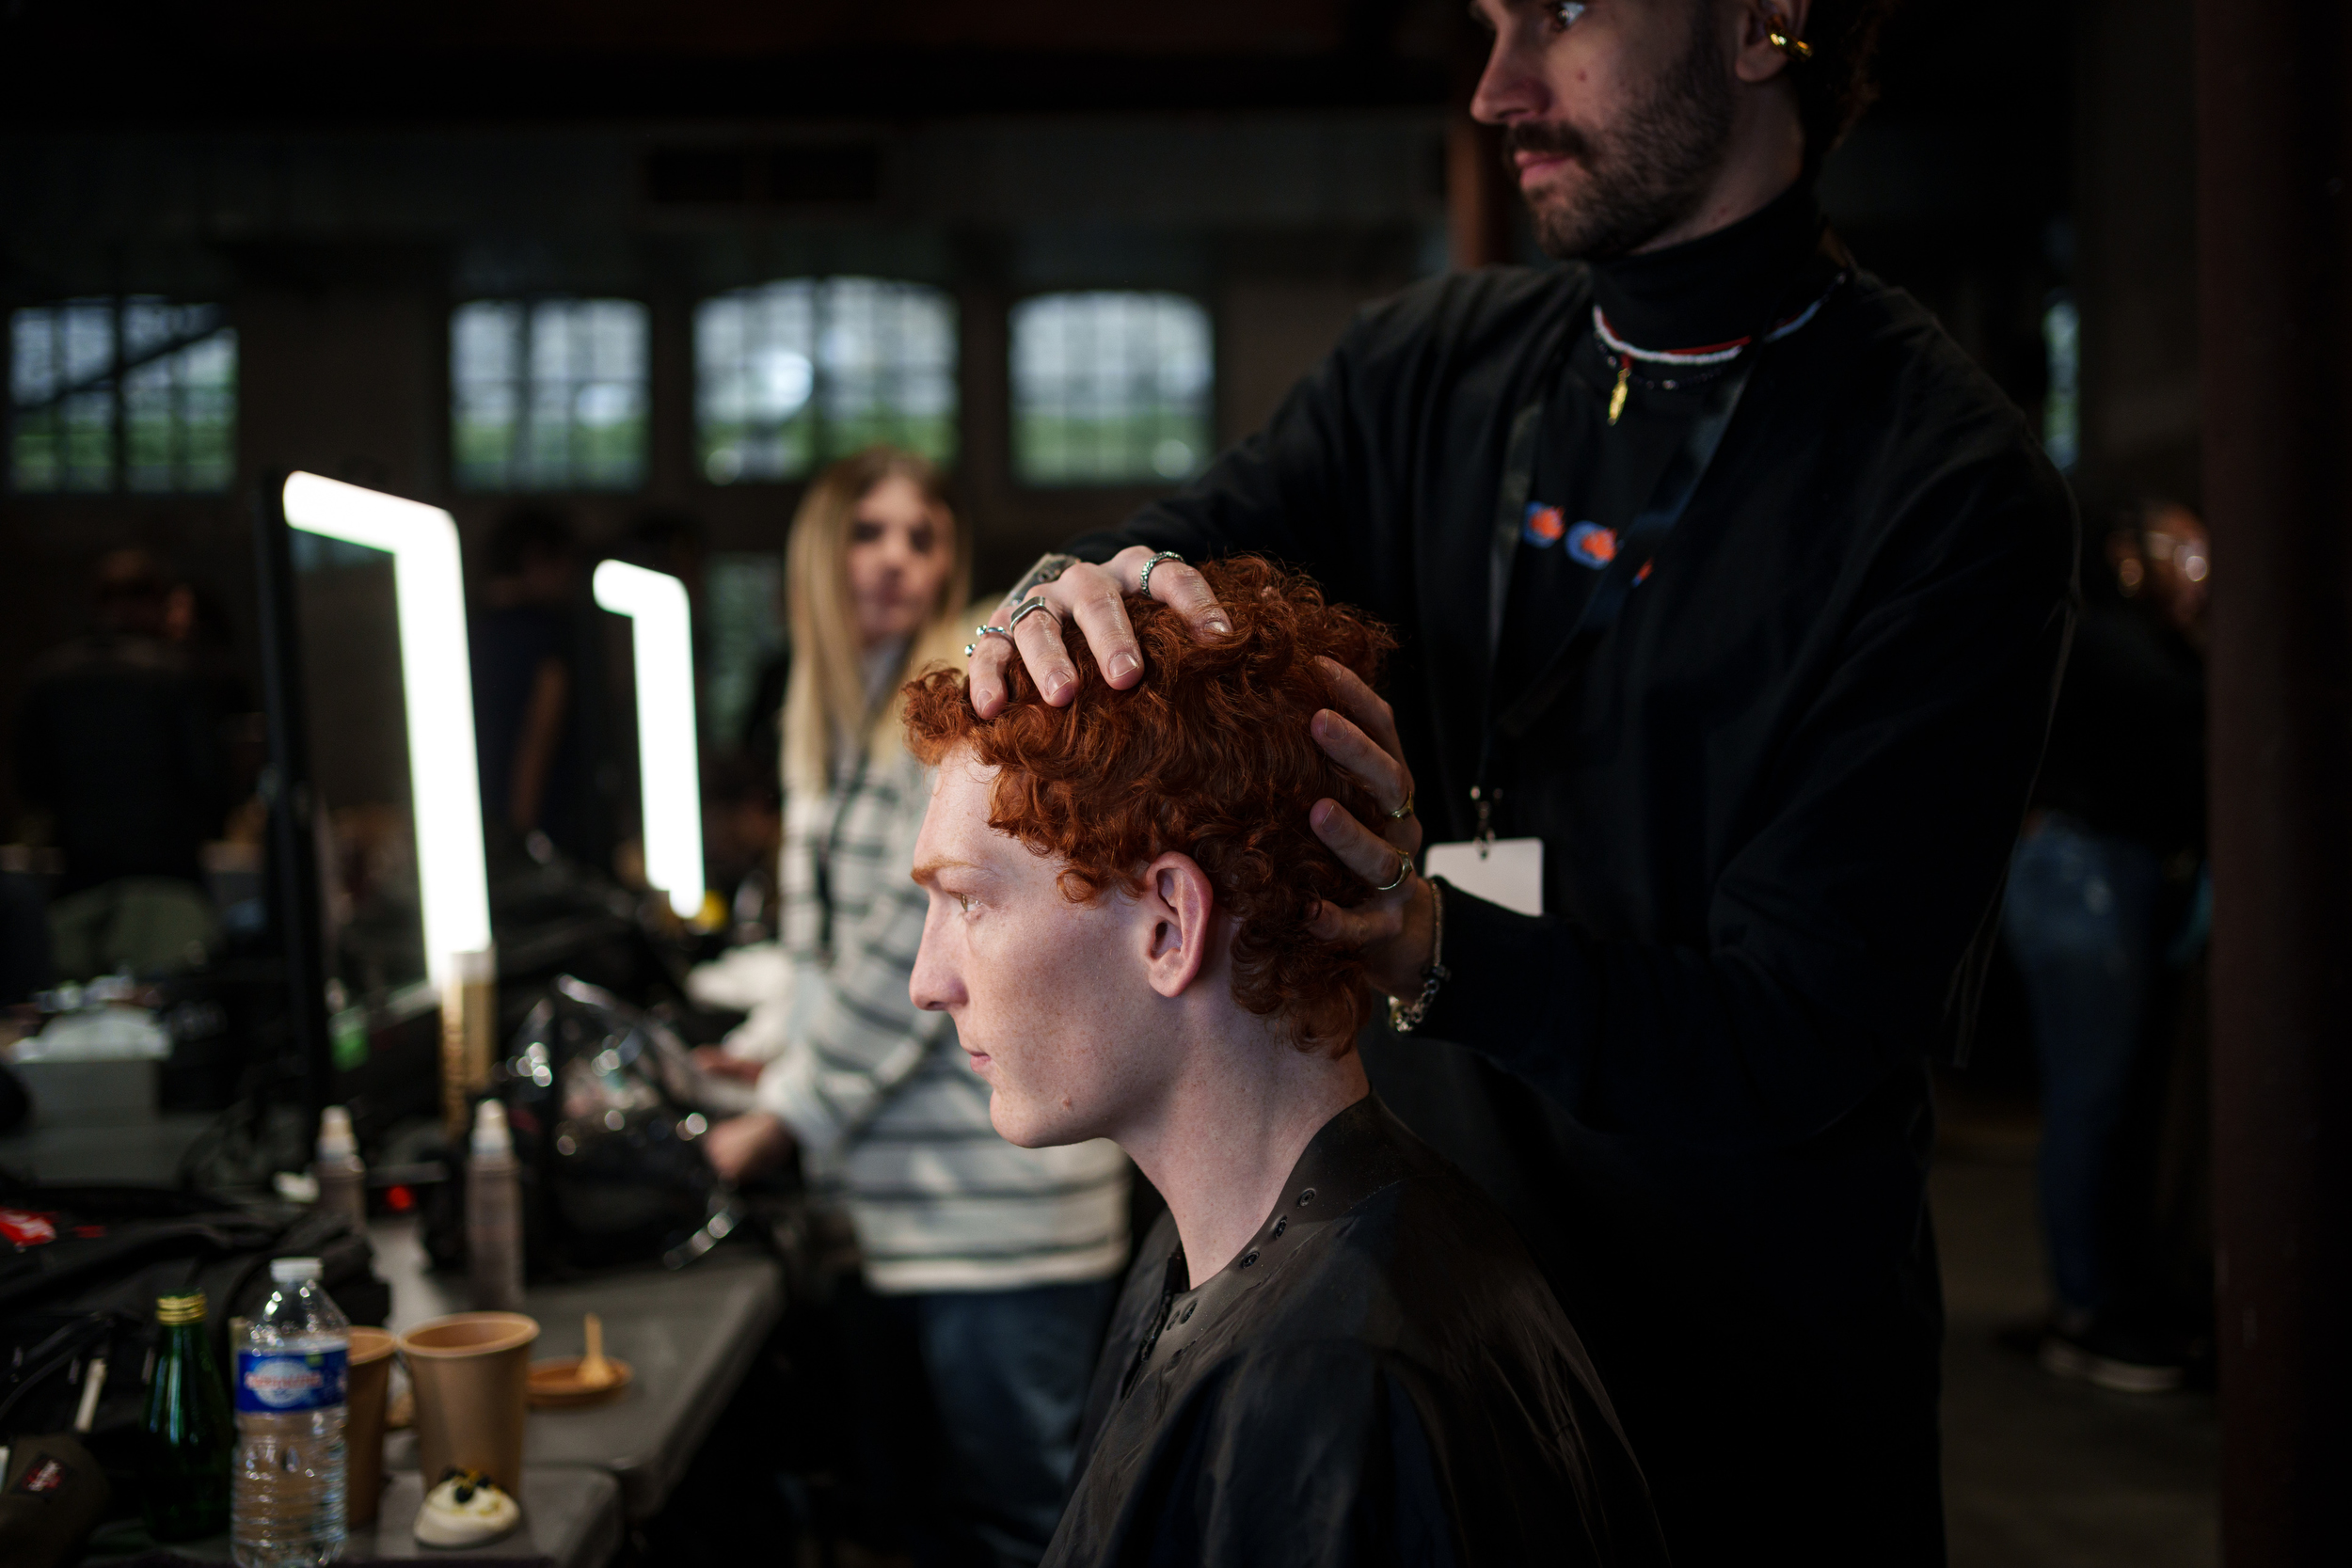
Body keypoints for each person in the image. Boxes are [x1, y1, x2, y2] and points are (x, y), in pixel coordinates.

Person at [964, 3, 2075, 1561]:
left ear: (1766, 24)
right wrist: (1077, 586)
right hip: (1416, 1314)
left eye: (1559, 14)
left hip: (1735, 1395)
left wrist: (1436, 945)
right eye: (1487, 24)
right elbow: (1186, 553)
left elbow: (1806, 1032)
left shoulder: (1945, 493)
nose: (1497, 88)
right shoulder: (1427, 371)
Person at [905, 556, 1668, 1568]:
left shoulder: (1332, 1378)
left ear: (1172, 924)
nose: (927, 979)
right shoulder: (1220, 1255)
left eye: (968, 901)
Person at [693, 449, 1129, 1568]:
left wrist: (786, 1111)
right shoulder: (834, 717)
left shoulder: (945, 699)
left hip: (996, 1216)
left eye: (922, 536)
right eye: (867, 532)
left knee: (1031, 1527)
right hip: (922, 1210)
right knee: (931, 1523)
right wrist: (772, 1049)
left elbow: (902, 948)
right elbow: (824, 942)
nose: (895, 558)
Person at [2003, 499, 2208, 1392]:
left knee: (2104, 1105)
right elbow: (2202, 707)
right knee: (2091, 1103)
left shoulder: (2119, 639)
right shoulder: (2111, 637)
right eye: (2183, 556)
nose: (2195, 576)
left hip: (2090, 876)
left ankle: (2101, 1297)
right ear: (2128, 556)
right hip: (2080, 877)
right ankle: (2086, 1313)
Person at [14, 549, 231, 978]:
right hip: (166, 888)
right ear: (156, 603)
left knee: (78, 1033)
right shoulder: (177, 676)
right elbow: (209, 781)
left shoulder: (47, 679)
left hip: (77, 890)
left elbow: (31, 785)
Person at [469, 506, 605, 868]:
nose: (570, 580)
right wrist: (520, 839)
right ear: (537, 560)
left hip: (471, 830)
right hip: (535, 838)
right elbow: (538, 737)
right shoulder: (547, 637)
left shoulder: (464, 630)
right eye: (565, 566)